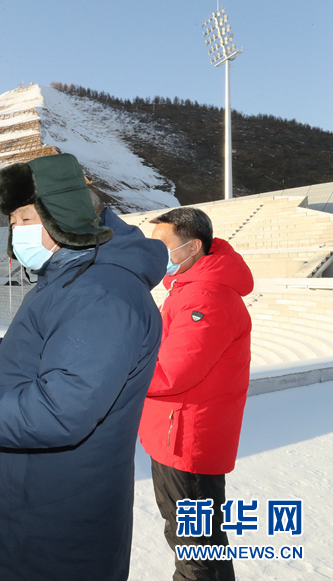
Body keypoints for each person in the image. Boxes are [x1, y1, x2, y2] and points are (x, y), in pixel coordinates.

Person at [0, 153, 167, 581]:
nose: (15, 229)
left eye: (23, 216)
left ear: (60, 214)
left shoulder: (101, 296)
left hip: (49, 515)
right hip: (23, 498)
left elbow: (59, 410)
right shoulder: (68, 277)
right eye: (12, 219)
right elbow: (32, 353)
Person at [139, 207, 253, 581]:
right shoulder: (189, 288)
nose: (156, 255)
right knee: (200, 543)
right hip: (177, 433)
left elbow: (173, 373)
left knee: (194, 549)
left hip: (188, 440)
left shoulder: (205, 297)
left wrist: (114, 371)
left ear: (193, 247)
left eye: (163, 246)